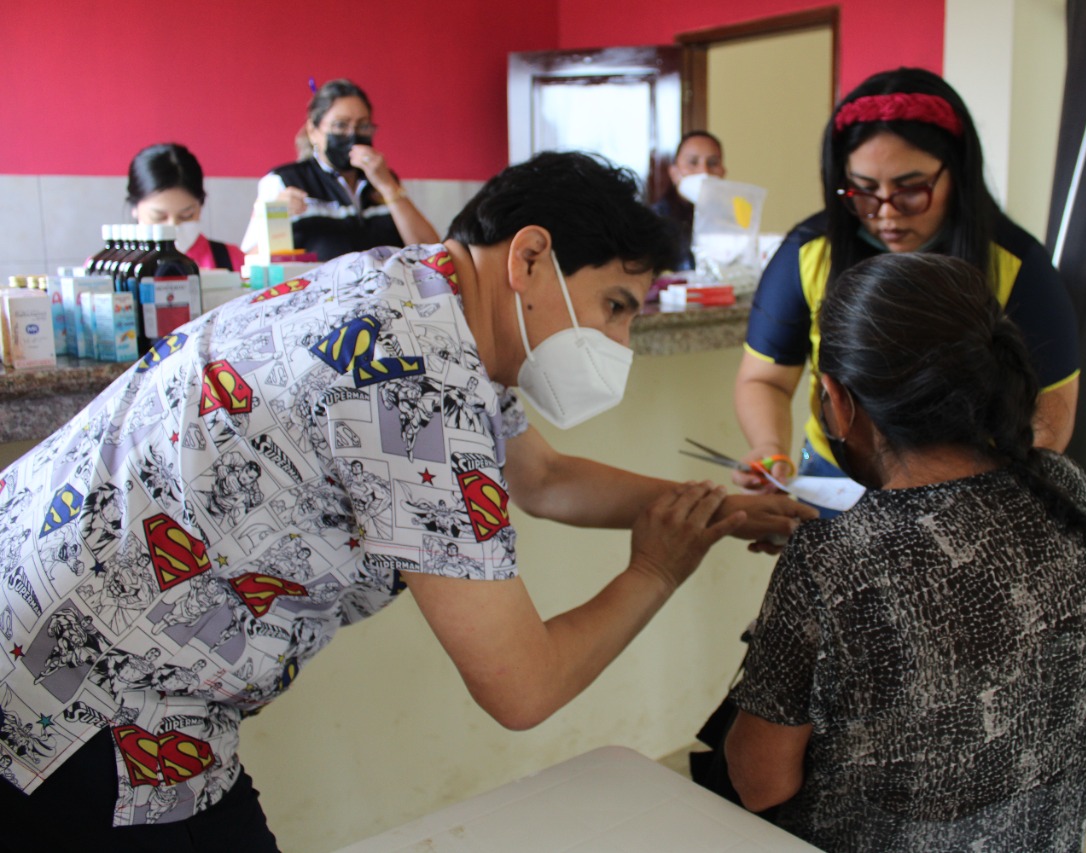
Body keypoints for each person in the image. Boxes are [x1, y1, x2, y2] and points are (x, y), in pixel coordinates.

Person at [0, 151, 813, 848]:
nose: (618, 342)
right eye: (614, 306)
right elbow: (523, 686)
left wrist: (722, 509)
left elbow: (544, 479)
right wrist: (657, 569)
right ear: (530, 258)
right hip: (82, 695)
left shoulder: (415, 295)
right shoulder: (417, 378)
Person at [720, 253, 1086, 852]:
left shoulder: (831, 558)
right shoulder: (1063, 485)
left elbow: (758, 782)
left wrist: (789, 622)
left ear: (838, 400)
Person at [734, 68, 1080, 510]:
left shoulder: (1016, 265)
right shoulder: (809, 254)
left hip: (976, 489)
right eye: (863, 191)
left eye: (910, 190)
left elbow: (1052, 410)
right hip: (836, 480)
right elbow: (764, 379)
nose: (886, 214)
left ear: (956, 173)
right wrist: (769, 446)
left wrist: (996, 497)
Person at [244, 78, 440, 261]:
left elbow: (431, 254)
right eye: (340, 125)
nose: (352, 135)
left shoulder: (383, 180)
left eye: (363, 126)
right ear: (313, 131)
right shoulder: (283, 181)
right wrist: (277, 218)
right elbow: (250, 264)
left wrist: (388, 186)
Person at [127, 143, 246, 272]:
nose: (173, 226)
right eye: (159, 217)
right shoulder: (123, 266)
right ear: (135, 208)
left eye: (186, 216)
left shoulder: (232, 260)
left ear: (200, 205)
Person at [651, 131, 726, 271]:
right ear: (674, 172)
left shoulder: (730, 219)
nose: (704, 171)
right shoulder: (655, 221)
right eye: (693, 162)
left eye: (712, 163)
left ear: (723, 172)